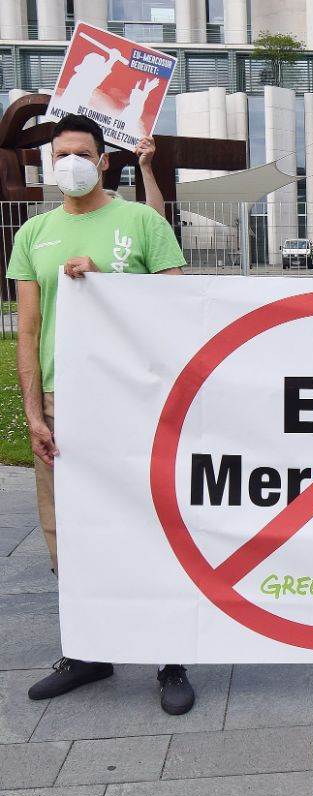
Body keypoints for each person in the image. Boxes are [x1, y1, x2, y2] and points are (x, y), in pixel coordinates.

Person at [9, 113, 196, 715]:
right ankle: (90, 647)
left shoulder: (141, 221)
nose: (69, 163)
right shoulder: (33, 234)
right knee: (66, 531)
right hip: (65, 406)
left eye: (80, 153)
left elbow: (176, 304)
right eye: (60, 153)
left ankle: (169, 654)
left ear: (103, 159)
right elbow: (29, 330)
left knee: (151, 524)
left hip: (133, 401)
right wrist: (33, 413)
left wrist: (107, 286)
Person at [103, 136, 166, 219]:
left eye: (84, 154)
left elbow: (156, 223)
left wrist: (145, 166)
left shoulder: (123, 212)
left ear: (104, 161)